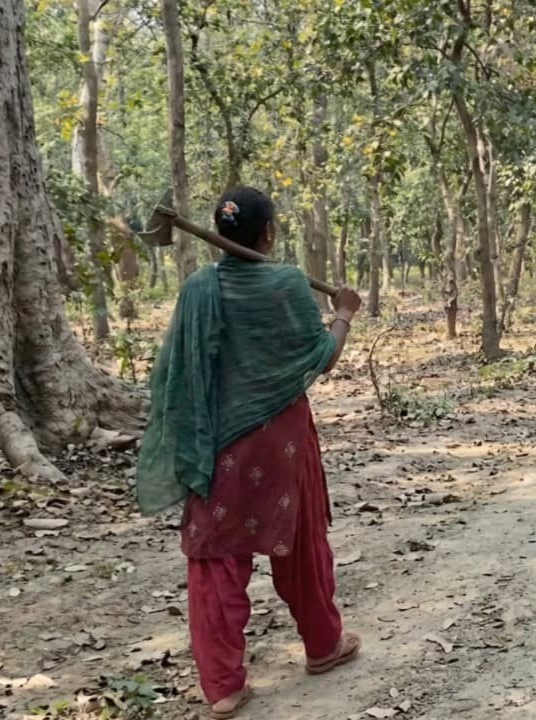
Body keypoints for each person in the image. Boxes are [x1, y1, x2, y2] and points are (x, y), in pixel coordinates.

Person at [135, 186, 364, 719]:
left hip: (216, 439)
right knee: (300, 539)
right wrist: (344, 313)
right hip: (281, 440)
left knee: (215, 554)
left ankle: (222, 687)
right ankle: (324, 646)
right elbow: (322, 357)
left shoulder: (197, 289)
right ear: (269, 232)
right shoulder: (284, 282)